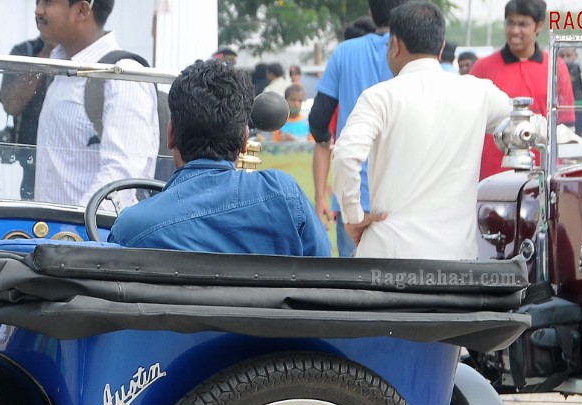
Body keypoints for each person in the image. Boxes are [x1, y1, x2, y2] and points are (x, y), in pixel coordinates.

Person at [331, 1, 512, 259]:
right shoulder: (478, 92)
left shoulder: (379, 97)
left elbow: (346, 155)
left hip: (387, 259)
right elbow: (528, 127)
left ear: (394, 45)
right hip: (455, 262)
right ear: (440, 48)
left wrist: (353, 216)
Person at [108, 59, 330, 258]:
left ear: (171, 134)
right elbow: (323, 270)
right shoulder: (285, 197)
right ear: (244, 140)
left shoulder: (131, 228)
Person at [308, 0, 410, 257]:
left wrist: (321, 196)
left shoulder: (344, 52)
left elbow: (319, 121)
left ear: (371, 13)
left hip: (352, 195)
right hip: (405, 194)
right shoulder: (413, 53)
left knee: (354, 287)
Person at [33, 0, 159, 209]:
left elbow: (121, 181)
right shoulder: (60, 66)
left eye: (48, 2)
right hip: (51, 235)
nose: (38, 10)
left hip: (87, 237)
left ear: (82, 10)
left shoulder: (121, 77)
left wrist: (73, 233)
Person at [469, 0, 575, 181]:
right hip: (491, 179)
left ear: (539, 26)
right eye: (510, 23)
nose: (514, 31)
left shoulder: (556, 67)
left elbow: (567, 124)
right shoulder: (482, 68)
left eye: (523, 24)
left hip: (542, 178)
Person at [0, 31, 53, 200]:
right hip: (31, 162)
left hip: (72, 162)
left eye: (49, 3)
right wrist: (43, 59)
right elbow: (11, 105)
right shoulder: (24, 52)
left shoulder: (80, 55)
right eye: (39, 3)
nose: (40, 11)